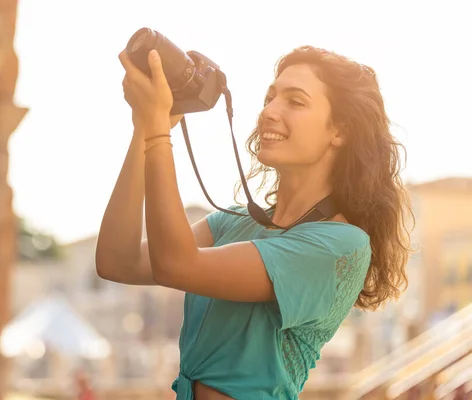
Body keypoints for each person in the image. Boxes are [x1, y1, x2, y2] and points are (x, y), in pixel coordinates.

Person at [95, 45, 413, 399]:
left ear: (340, 131)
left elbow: (176, 265)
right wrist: (143, 129)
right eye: (270, 97)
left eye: (295, 101)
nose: (269, 112)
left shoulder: (339, 245)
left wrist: (159, 133)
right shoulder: (233, 224)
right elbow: (117, 262)